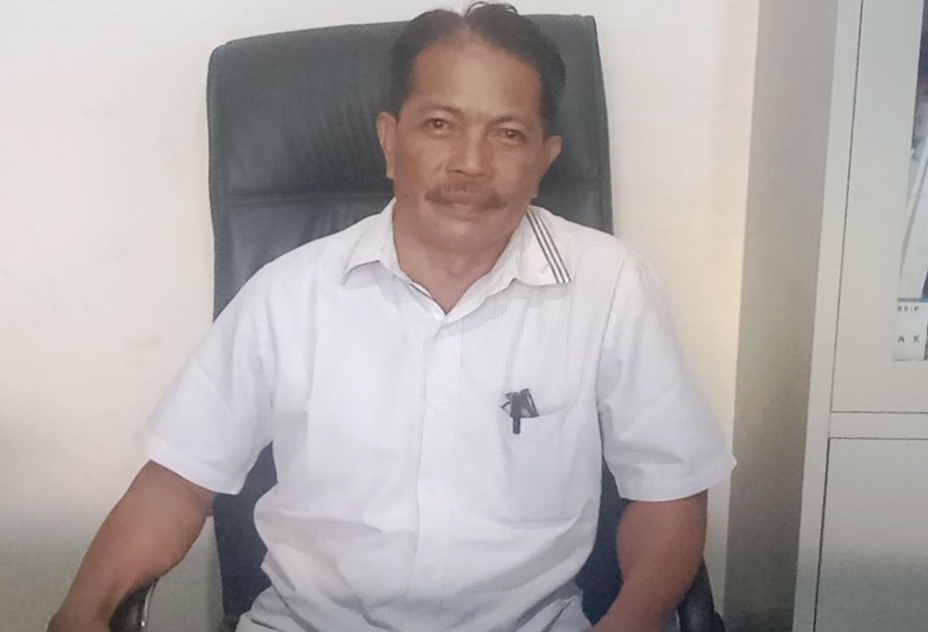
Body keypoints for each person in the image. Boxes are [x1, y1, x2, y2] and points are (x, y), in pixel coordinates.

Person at [49, 4, 734, 632]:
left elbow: (670, 491)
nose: (471, 163)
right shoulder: (288, 294)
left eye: (508, 134)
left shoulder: (611, 287)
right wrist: (81, 612)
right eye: (440, 125)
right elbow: (177, 482)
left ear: (543, 160)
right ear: (389, 140)